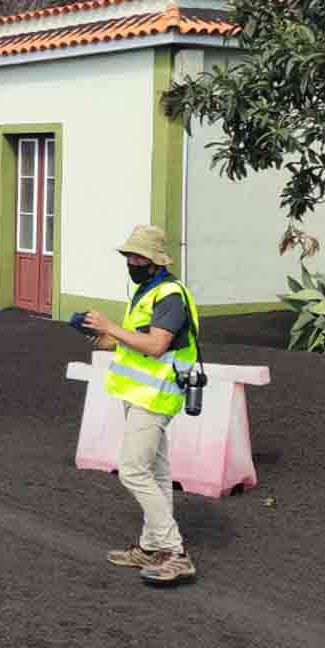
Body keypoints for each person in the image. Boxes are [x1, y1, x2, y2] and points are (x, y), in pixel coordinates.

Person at [82, 224, 201, 587]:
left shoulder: (169, 296)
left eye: (137, 257)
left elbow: (155, 346)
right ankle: (152, 548)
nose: (131, 262)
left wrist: (111, 327)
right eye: (129, 256)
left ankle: (176, 553)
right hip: (139, 394)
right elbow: (138, 343)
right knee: (157, 473)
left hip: (157, 396)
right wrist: (103, 337)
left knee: (133, 471)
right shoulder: (148, 292)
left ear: (154, 261)